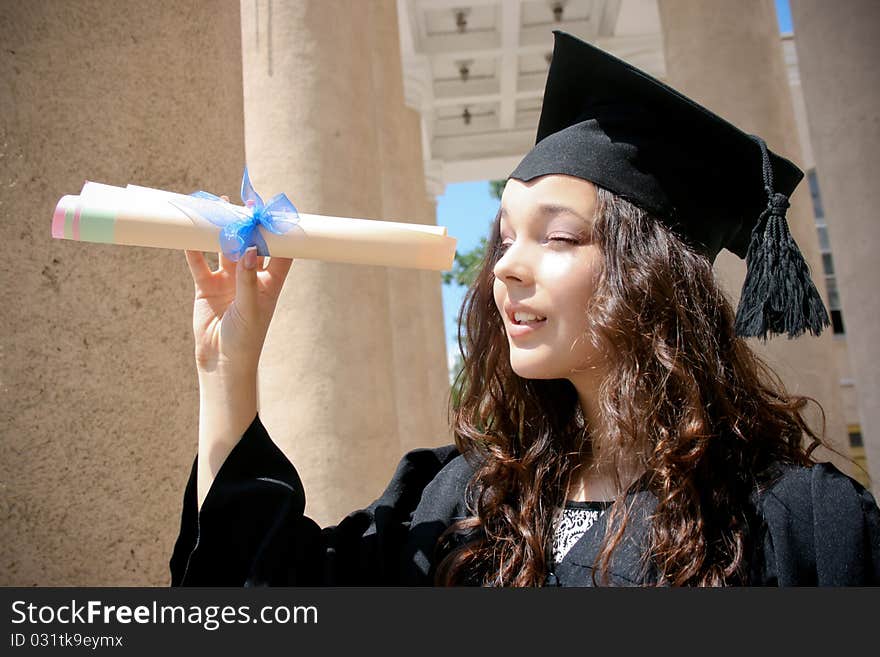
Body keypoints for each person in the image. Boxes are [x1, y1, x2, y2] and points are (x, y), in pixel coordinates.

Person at [170, 31, 880, 586]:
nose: (505, 265)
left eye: (559, 235)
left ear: (654, 276)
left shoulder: (804, 523)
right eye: (506, 236)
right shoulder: (464, 504)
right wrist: (228, 371)